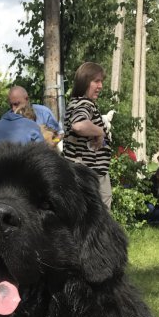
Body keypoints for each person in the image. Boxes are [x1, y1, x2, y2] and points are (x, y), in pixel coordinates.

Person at [63, 62, 112, 210]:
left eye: (101, 81)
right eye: (96, 81)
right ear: (84, 81)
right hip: (90, 175)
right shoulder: (85, 104)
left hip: (79, 173)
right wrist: (100, 131)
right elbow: (79, 125)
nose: (100, 86)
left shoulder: (74, 103)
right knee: (100, 220)